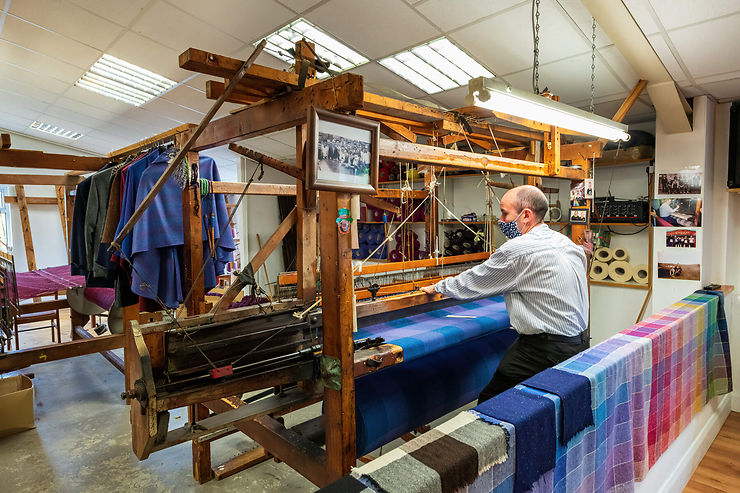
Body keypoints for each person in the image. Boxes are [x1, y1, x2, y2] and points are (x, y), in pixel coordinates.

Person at [421, 185, 589, 404]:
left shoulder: (518, 249)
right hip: (577, 342)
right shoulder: (565, 242)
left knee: (491, 404)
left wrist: (438, 288)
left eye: (504, 213)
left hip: (545, 349)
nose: (500, 219)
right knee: (545, 406)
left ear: (526, 215)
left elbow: (474, 282)